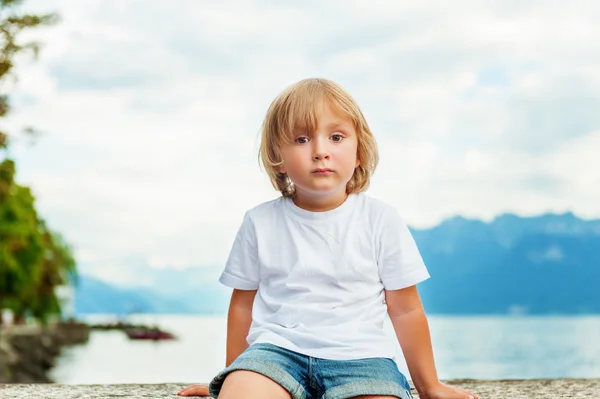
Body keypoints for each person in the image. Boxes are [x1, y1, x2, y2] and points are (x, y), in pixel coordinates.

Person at [178, 78, 478, 399]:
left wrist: (430, 386)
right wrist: (233, 374)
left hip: (364, 359)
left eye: (336, 137)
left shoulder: (380, 219)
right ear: (278, 155)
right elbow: (242, 305)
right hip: (275, 355)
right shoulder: (259, 221)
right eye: (302, 139)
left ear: (359, 151)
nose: (320, 151)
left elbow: (405, 310)